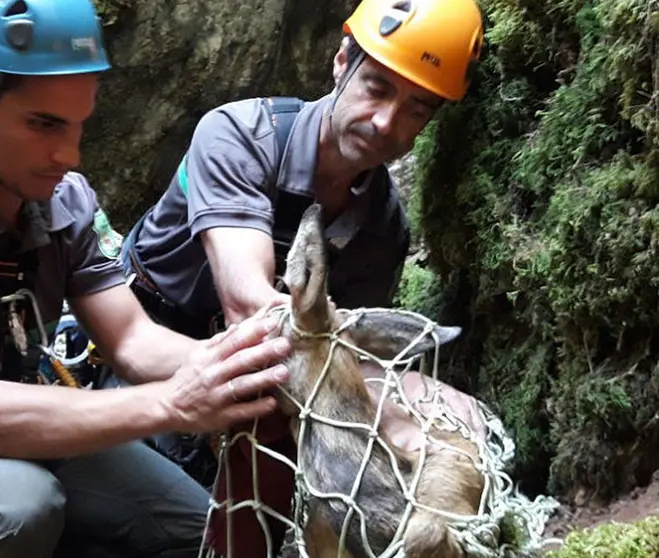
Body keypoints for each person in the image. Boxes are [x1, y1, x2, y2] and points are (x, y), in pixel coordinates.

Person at [0, 0, 293, 556]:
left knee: (190, 529)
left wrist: (242, 368)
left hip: (19, 418)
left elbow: (133, 340)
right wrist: (175, 404)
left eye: (79, 125)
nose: (69, 152)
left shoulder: (61, 201)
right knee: (14, 506)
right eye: (43, 124)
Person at [119, 0, 485, 554]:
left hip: (265, 396)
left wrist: (419, 399)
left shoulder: (382, 224)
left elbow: (344, 362)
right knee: (187, 533)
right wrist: (387, 407)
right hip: (151, 357)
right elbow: (251, 311)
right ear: (342, 61)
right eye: (378, 88)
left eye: (416, 109)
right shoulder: (239, 136)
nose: (386, 122)